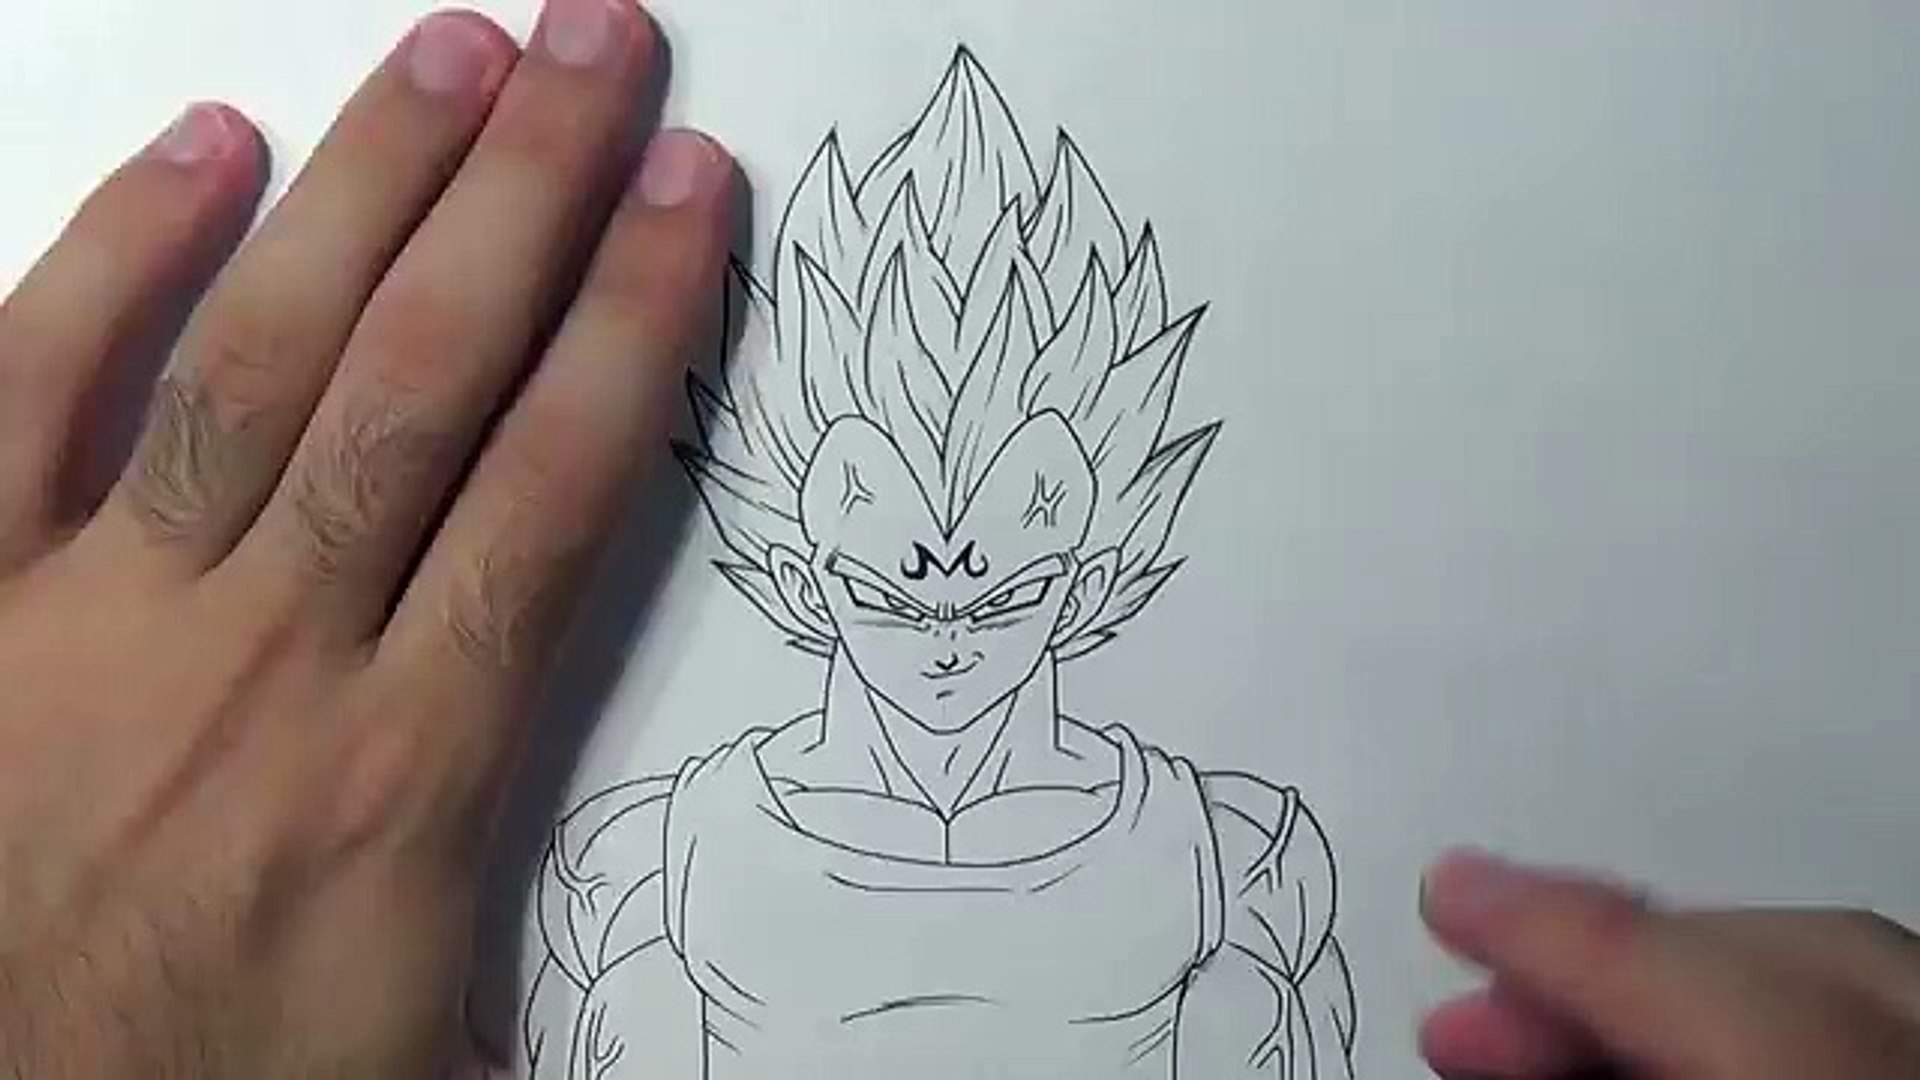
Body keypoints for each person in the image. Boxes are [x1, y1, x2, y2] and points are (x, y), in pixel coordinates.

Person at [0, 2, 1911, 1078]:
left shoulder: (1231, 866)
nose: (938, 568)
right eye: (871, 493)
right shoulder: (653, 867)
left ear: (1119, 491)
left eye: (1027, 495)